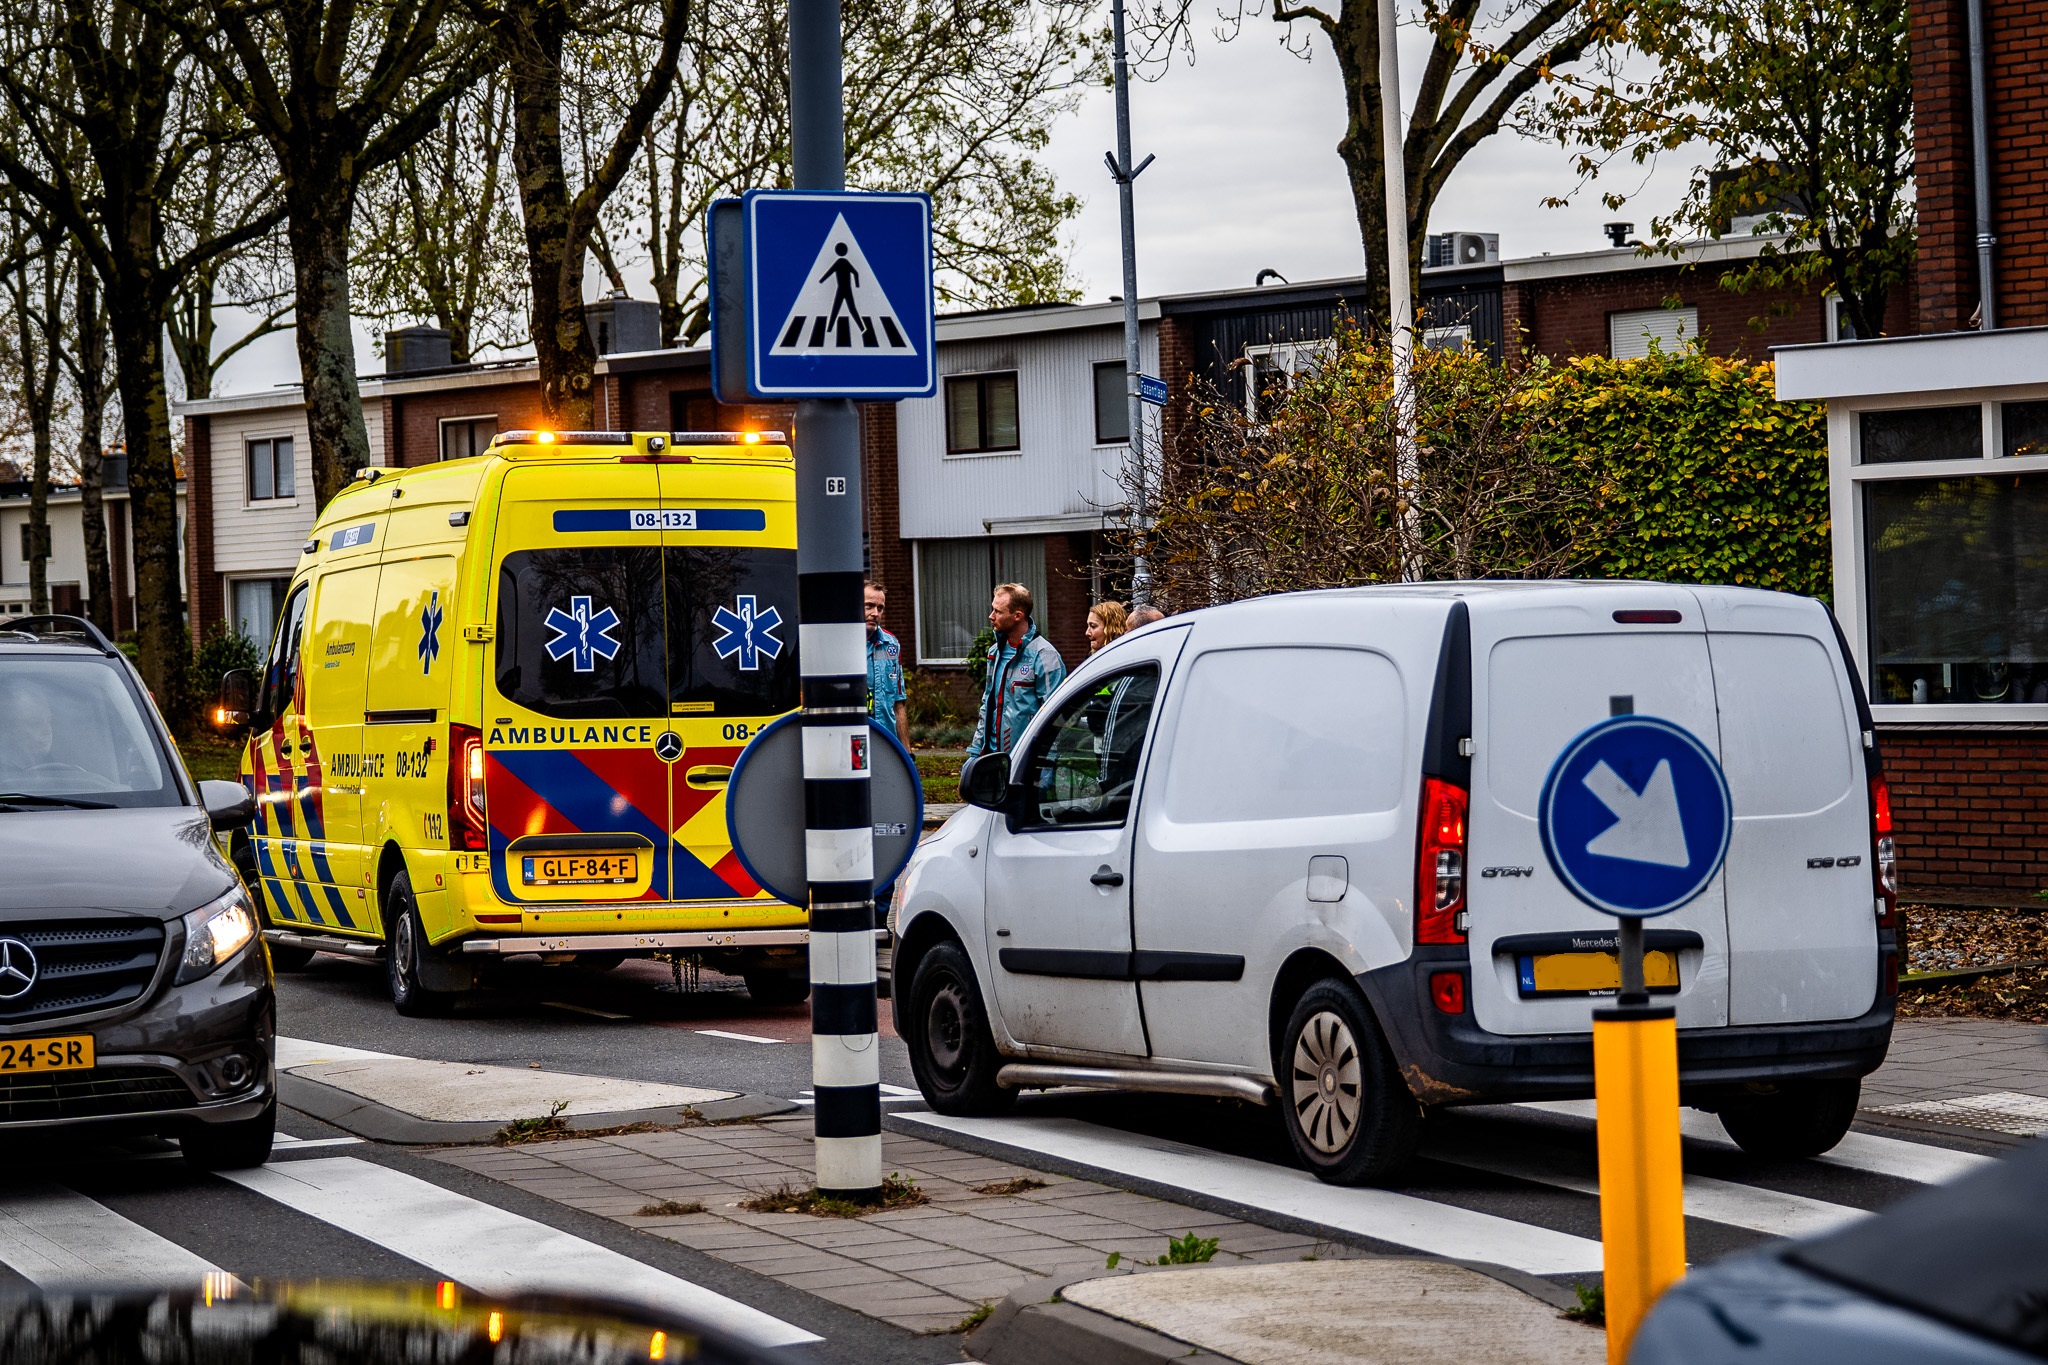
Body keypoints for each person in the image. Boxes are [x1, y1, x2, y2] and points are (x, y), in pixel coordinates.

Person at [965, 583, 1065, 760]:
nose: (991, 616)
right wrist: (974, 753)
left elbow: (1054, 717)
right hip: (991, 759)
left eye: (998, 612)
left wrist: (1045, 768)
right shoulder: (994, 653)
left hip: (1025, 761)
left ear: (1018, 615)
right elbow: (987, 704)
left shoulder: (1044, 656)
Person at [863, 579, 908, 740]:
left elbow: (898, 703)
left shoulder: (891, 645)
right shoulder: (840, 645)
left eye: (880, 608)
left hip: (887, 742)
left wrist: (907, 754)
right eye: (869, 606)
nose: (875, 613)